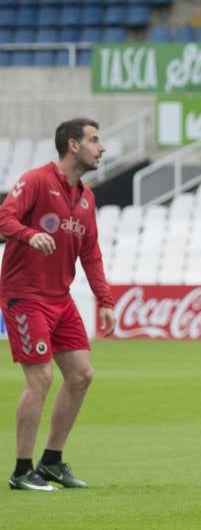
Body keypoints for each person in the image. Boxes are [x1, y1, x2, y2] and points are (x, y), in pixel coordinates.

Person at [1, 118, 114, 492]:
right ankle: (21, 470)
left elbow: (92, 254)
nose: (102, 148)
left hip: (60, 299)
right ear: (72, 145)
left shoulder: (87, 197)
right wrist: (29, 235)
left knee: (81, 374)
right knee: (41, 378)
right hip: (25, 296)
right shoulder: (36, 180)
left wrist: (105, 301)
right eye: (95, 140)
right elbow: (4, 217)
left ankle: (51, 461)